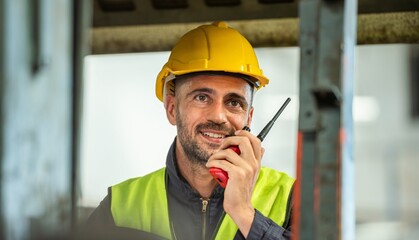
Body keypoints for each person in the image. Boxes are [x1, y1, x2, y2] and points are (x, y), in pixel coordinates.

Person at [82, 21, 295, 240]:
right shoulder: (119, 208)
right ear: (172, 109)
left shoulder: (291, 198)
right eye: (202, 98)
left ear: (248, 117)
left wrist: (244, 214)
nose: (218, 116)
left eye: (234, 102)